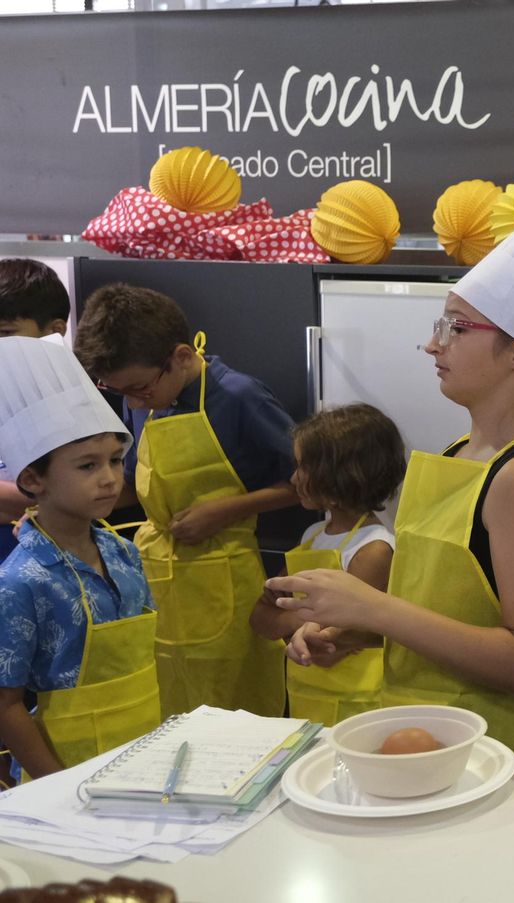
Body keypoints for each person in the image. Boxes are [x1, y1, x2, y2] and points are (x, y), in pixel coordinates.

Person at [267, 185, 514, 755]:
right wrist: (355, 633)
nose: (430, 344)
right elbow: (442, 617)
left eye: (455, 328)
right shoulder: (457, 453)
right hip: (420, 739)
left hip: (485, 758)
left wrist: (375, 606)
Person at [73, 284, 297, 718]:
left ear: (179, 357)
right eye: (119, 392)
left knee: (232, 709)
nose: (134, 402)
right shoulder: (142, 396)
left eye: (139, 388)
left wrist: (227, 509)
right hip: (156, 576)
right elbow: (136, 480)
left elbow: (308, 482)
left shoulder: (238, 397)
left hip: (227, 583)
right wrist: (70, 508)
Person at [0, 337, 159, 780]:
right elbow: (6, 704)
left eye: (114, 459)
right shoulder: (19, 581)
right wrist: (57, 785)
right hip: (67, 773)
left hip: (141, 757)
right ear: (33, 479)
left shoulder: (124, 552)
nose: (110, 479)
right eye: (87, 466)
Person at [249, 403, 404, 725]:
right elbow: (260, 618)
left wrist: (292, 620)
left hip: (355, 704)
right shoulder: (313, 534)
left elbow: (332, 645)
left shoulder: (373, 548)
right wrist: (304, 621)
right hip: (306, 693)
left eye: (302, 467)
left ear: (340, 475)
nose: (293, 478)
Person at [0, 259, 73, 562]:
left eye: (5, 332)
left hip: (46, 559)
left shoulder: (75, 401)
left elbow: (70, 499)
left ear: (54, 330)